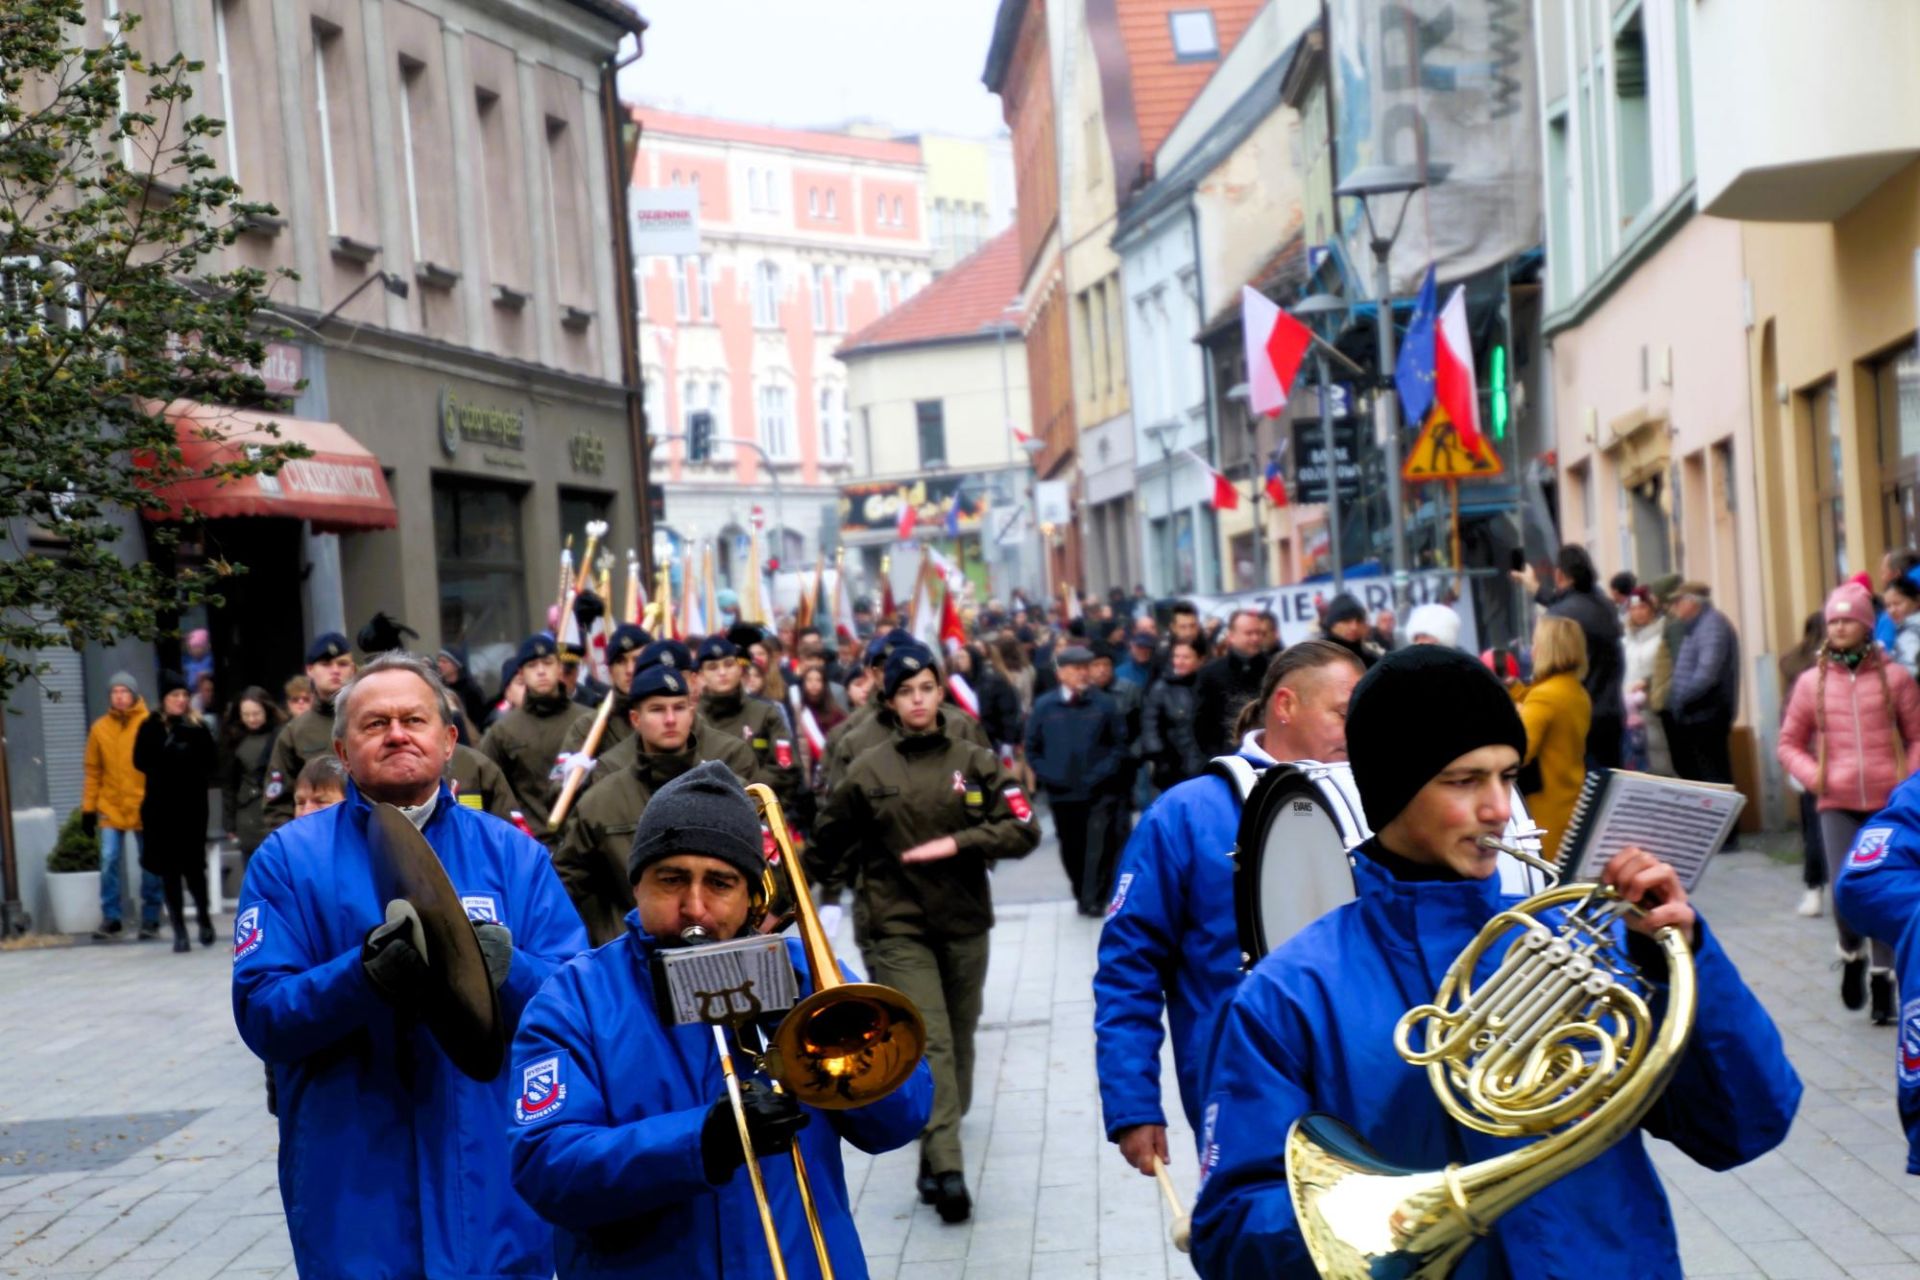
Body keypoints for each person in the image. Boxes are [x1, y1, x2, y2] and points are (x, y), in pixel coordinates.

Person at [1189, 645, 1802, 1278]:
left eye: (1507, 776)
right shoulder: (1291, 991)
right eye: (1464, 781)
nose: (1499, 809)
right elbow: (1229, 1229)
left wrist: (1679, 958)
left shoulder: (1581, 942)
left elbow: (1744, 1127)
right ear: (1394, 790)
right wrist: (1378, 1221)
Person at [232, 651, 588, 1280]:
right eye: (375, 724)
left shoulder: (514, 856)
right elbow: (263, 1015)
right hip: (354, 1190)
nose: (397, 733)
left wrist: (511, 971)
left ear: (449, 740)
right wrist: (360, 977)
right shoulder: (287, 861)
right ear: (341, 752)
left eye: (414, 719)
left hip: (491, 1185)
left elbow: (580, 1011)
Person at [509, 762, 933, 1277]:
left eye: (720, 883)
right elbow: (546, 1166)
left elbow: (898, 1122)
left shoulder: (805, 976)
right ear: (637, 884)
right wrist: (701, 1140)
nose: (695, 907)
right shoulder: (573, 998)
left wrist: (802, 1026)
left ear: (750, 893)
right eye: (671, 880)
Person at [1096, 641, 1363, 1181]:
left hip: (1366, 1085)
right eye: (1341, 713)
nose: (1354, 730)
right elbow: (1130, 968)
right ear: (1285, 705)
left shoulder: (1381, 800)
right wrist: (1134, 1104)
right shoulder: (1186, 812)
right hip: (1241, 1094)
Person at [812, 645, 1040, 1222]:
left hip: (964, 920)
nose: (918, 699)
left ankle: (935, 1140)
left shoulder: (974, 757)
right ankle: (949, 1171)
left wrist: (960, 843)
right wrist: (787, 901)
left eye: (927, 688)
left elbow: (1023, 828)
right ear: (889, 700)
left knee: (959, 1044)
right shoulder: (867, 769)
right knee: (931, 1040)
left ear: (941, 692)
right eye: (906, 691)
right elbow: (826, 845)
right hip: (896, 925)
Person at [1777, 581, 1920, 1024]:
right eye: (1832, 620)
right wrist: (1814, 776)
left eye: (1847, 620)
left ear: (1864, 625)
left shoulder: (1895, 677)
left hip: (1886, 801)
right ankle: (1850, 952)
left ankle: (1883, 978)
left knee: (1881, 886)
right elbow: (1788, 742)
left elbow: (1916, 736)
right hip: (1835, 801)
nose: (1838, 627)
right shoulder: (1810, 682)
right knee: (1845, 889)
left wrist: (1907, 782)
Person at [556, 663, 766, 945]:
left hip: (727, 951)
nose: (670, 719)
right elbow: (563, 888)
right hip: (629, 958)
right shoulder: (601, 799)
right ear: (635, 718)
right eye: (657, 710)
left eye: (679, 708)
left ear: (692, 713)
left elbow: (772, 874)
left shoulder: (732, 793)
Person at [1024, 645, 1131, 915]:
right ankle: (1081, 892)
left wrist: (1101, 772)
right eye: (1077, 669)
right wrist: (1048, 774)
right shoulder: (1045, 706)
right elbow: (1032, 747)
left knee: (1099, 845)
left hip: (1098, 791)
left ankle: (1093, 898)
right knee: (1072, 846)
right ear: (1061, 674)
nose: (1084, 674)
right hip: (1062, 794)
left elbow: (1119, 745)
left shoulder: (1104, 704)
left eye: (1086, 668)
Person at [1513, 546, 1627, 770]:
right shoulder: (1604, 605)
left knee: (1582, 790)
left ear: (1559, 575)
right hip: (1611, 711)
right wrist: (1535, 589)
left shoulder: (1559, 617)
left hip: (1578, 715)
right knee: (1607, 785)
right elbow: (1571, 605)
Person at [133, 672, 219, 953]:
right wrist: (166, 751)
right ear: (164, 699)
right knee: (169, 873)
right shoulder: (150, 726)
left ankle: (204, 919)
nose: (180, 700)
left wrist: (189, 751)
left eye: (184, 695)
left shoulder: (197, 726)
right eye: (175, 696)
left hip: (192, 809)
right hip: (161, 810)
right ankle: (179, 930)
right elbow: (140, 761)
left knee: (195, 870)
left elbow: (212, 762)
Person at [479, 634, 592, 846]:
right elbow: (487, 784)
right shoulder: (503, 730)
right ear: (521, 673)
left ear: (559, 668)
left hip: (583, 841)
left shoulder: (588, 721)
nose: (541, 671)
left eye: (547, 663)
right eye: (532, 665)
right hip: (529, 844)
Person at [83, 671, 160, 941]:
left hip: (144, 804)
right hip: (111, 805)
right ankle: (112, 917)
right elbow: (93, 771)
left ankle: (150, 917)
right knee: (108, 859)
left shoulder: (149, 723)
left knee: (150, 863)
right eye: (114, 692)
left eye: (124, 691)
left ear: (134, 694)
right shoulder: (99, 728)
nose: (119, 696)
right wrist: (88, 809)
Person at [697, 635, 803, 823]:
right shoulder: (692, 719)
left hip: (759, 816)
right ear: (701, 676)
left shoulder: (765, 714)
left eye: (729, 664)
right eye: (713, 667)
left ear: (740, 668)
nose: (722, 672)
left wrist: (749, 792)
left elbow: (786, 768)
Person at [1515, 616, 1593, 862]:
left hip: (1544, 808)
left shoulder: (1544, 696)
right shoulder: (1575, 691)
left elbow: (1520, 751)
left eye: (1536, 643)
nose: (1532, 650)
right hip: (1570, 800)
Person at [263, 633, 357, 831]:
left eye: (342, 663)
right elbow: (277, 805)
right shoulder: (295, 733)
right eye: (326, 664)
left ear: (353, 668)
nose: (335, 670)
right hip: (317, 839)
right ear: (310, 670)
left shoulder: (371, 720)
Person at [1667, 582, 1742, 784]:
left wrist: (1681, 699)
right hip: (1696, 715)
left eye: (1678, 601)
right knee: (1702, 777)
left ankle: (1726, 816)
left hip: (1706, 715)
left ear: (1692, 602)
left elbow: (1707, 674)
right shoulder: (1696, 626)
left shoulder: (1712, 626)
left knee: (1713, 777)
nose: (1674, 607)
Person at [221, 686, 287, 866]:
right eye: (246, 714)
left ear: (267, 710)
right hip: (247, 815)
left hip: (276, 812)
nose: (251, 719)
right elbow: (229, 785)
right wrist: (229, 823)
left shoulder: (282, 735)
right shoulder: (234, 739)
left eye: (256, 713)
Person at [1193, 610, 1272, 758]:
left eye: (1258, 633)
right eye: (1249, 633)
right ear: (1232, 636)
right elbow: (1201, 725)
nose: (1255, 638)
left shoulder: (1273, 668)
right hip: (1226, 756)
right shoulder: (1211, 673)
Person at [1140, 637, 1205, 791]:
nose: (1180, 662)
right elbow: (1150, 724)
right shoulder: (1161, 688)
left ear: (1199, 660)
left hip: (1203, 761)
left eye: (1186, 657)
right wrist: (1159, 757)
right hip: (1172, 763)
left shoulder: (1206, 685)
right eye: (1176, 656)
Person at [1621, 587, 1668, 774]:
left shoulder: (1660, 636)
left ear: (1651, 608)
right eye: (1634, 608)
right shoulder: (1626, 640)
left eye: (1642, 607)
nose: (1638, 612)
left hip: (1654, 707)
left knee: (1660, 758)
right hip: (1631, 711)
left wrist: (1648, 684)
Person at [436, 646, 492, 735]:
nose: (439, 664)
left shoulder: (471, 691)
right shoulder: (438, 688)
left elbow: (480, 720)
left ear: (456, 666)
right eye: (439, 661)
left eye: (444, 662)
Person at [1319, 593, 1384, 670]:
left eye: (1359, 621)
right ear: (1332, 624)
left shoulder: (1370, 659)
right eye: (1346, 621)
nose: (1354, 627)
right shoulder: (1317, 657)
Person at [1885, 574, 1920, 679]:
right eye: (1888, 605)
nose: (1892, 610)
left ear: (1917, 601)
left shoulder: (1911, 632)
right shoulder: (1905, 628)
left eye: (1897, 604)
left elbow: (1911, 670)